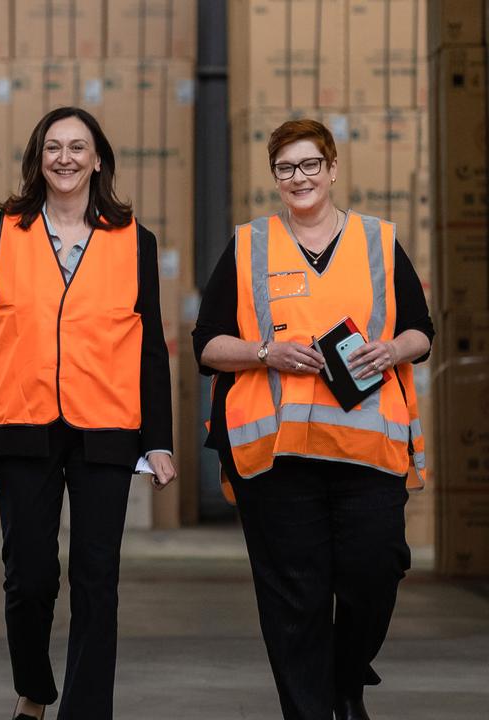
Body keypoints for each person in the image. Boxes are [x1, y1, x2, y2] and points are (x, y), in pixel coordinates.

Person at [193, 119, 431, 720]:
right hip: (275, 457)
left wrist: (393, 350)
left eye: (309, 165)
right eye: (285, 168)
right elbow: (206, 345)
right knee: (293, 602)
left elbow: (421, 331)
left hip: (366, 450)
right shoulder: (249, 245)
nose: (298, 178)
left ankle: (345, 677)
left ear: (331, 168)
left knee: (374, 574)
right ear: (274, 177)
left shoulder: (377, 240)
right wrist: (263, 352)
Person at [0, 106, 176, 720]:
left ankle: (86, 709)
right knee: (29, 577)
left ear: (98, 158)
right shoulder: (0, 232)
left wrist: (158, 440)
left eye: (79, 147)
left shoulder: (135, 241)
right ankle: (34, 688)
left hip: (106, 427)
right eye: (53, 147)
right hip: (20, 422)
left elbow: (150, 345)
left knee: (97, 577)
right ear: (37, 158)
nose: (66, 158)